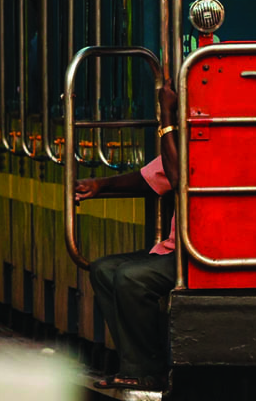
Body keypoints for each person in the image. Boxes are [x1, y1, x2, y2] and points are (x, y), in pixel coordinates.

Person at [74, 81, 179, 392]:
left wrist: (166, 119)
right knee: (104, 270)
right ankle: (139, 364)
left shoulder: (210, 136)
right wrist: (100, 186)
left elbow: (175, 176)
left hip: (201, 250)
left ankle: (148, 371)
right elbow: (152, 179)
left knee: (134, 279)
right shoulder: (187, 140)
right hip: (176, 248)